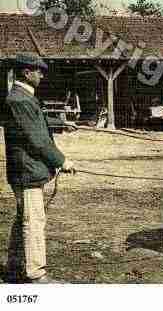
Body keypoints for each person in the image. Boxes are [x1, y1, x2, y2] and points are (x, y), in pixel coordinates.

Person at [3, 53, 75, 283]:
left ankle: (15, 266)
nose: (42, 75)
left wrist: (62, 123)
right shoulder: (20, 100)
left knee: (23, 218)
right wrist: (62, 161)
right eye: (39, 71)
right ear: (26, 72)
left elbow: (36, 124)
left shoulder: (22, 97)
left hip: (26, 171)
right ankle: (36, 274)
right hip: (27, 172)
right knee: (33, 221)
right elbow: (37, 139)